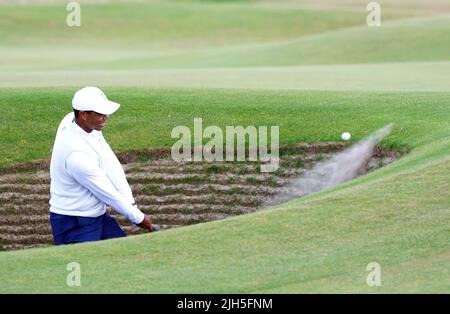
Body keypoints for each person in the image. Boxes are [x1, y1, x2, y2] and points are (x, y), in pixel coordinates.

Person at [49, 86, 158, 245]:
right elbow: (106, 192)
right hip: (73, 222)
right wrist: (138, 218)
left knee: (122, 255)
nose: (106, 117)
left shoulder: (78, 122)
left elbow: (110, 161)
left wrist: (130, 201)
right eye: (100, 113)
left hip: (98, 217)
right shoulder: (77, 156)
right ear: (83, 115)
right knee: (86, 267)